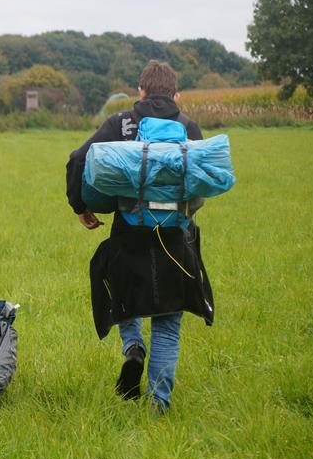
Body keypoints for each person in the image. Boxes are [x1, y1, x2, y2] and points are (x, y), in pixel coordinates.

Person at [65, 60, 211, 412]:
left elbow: (78, 159)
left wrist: (81, 207)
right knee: (167, 323)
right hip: (175, 238)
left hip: (128, 232)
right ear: (176, 95)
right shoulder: (188, 127)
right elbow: (203, 181)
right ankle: (158, 404)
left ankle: (133, 347)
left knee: (119, 288)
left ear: (140, 91)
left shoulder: (121, 123)